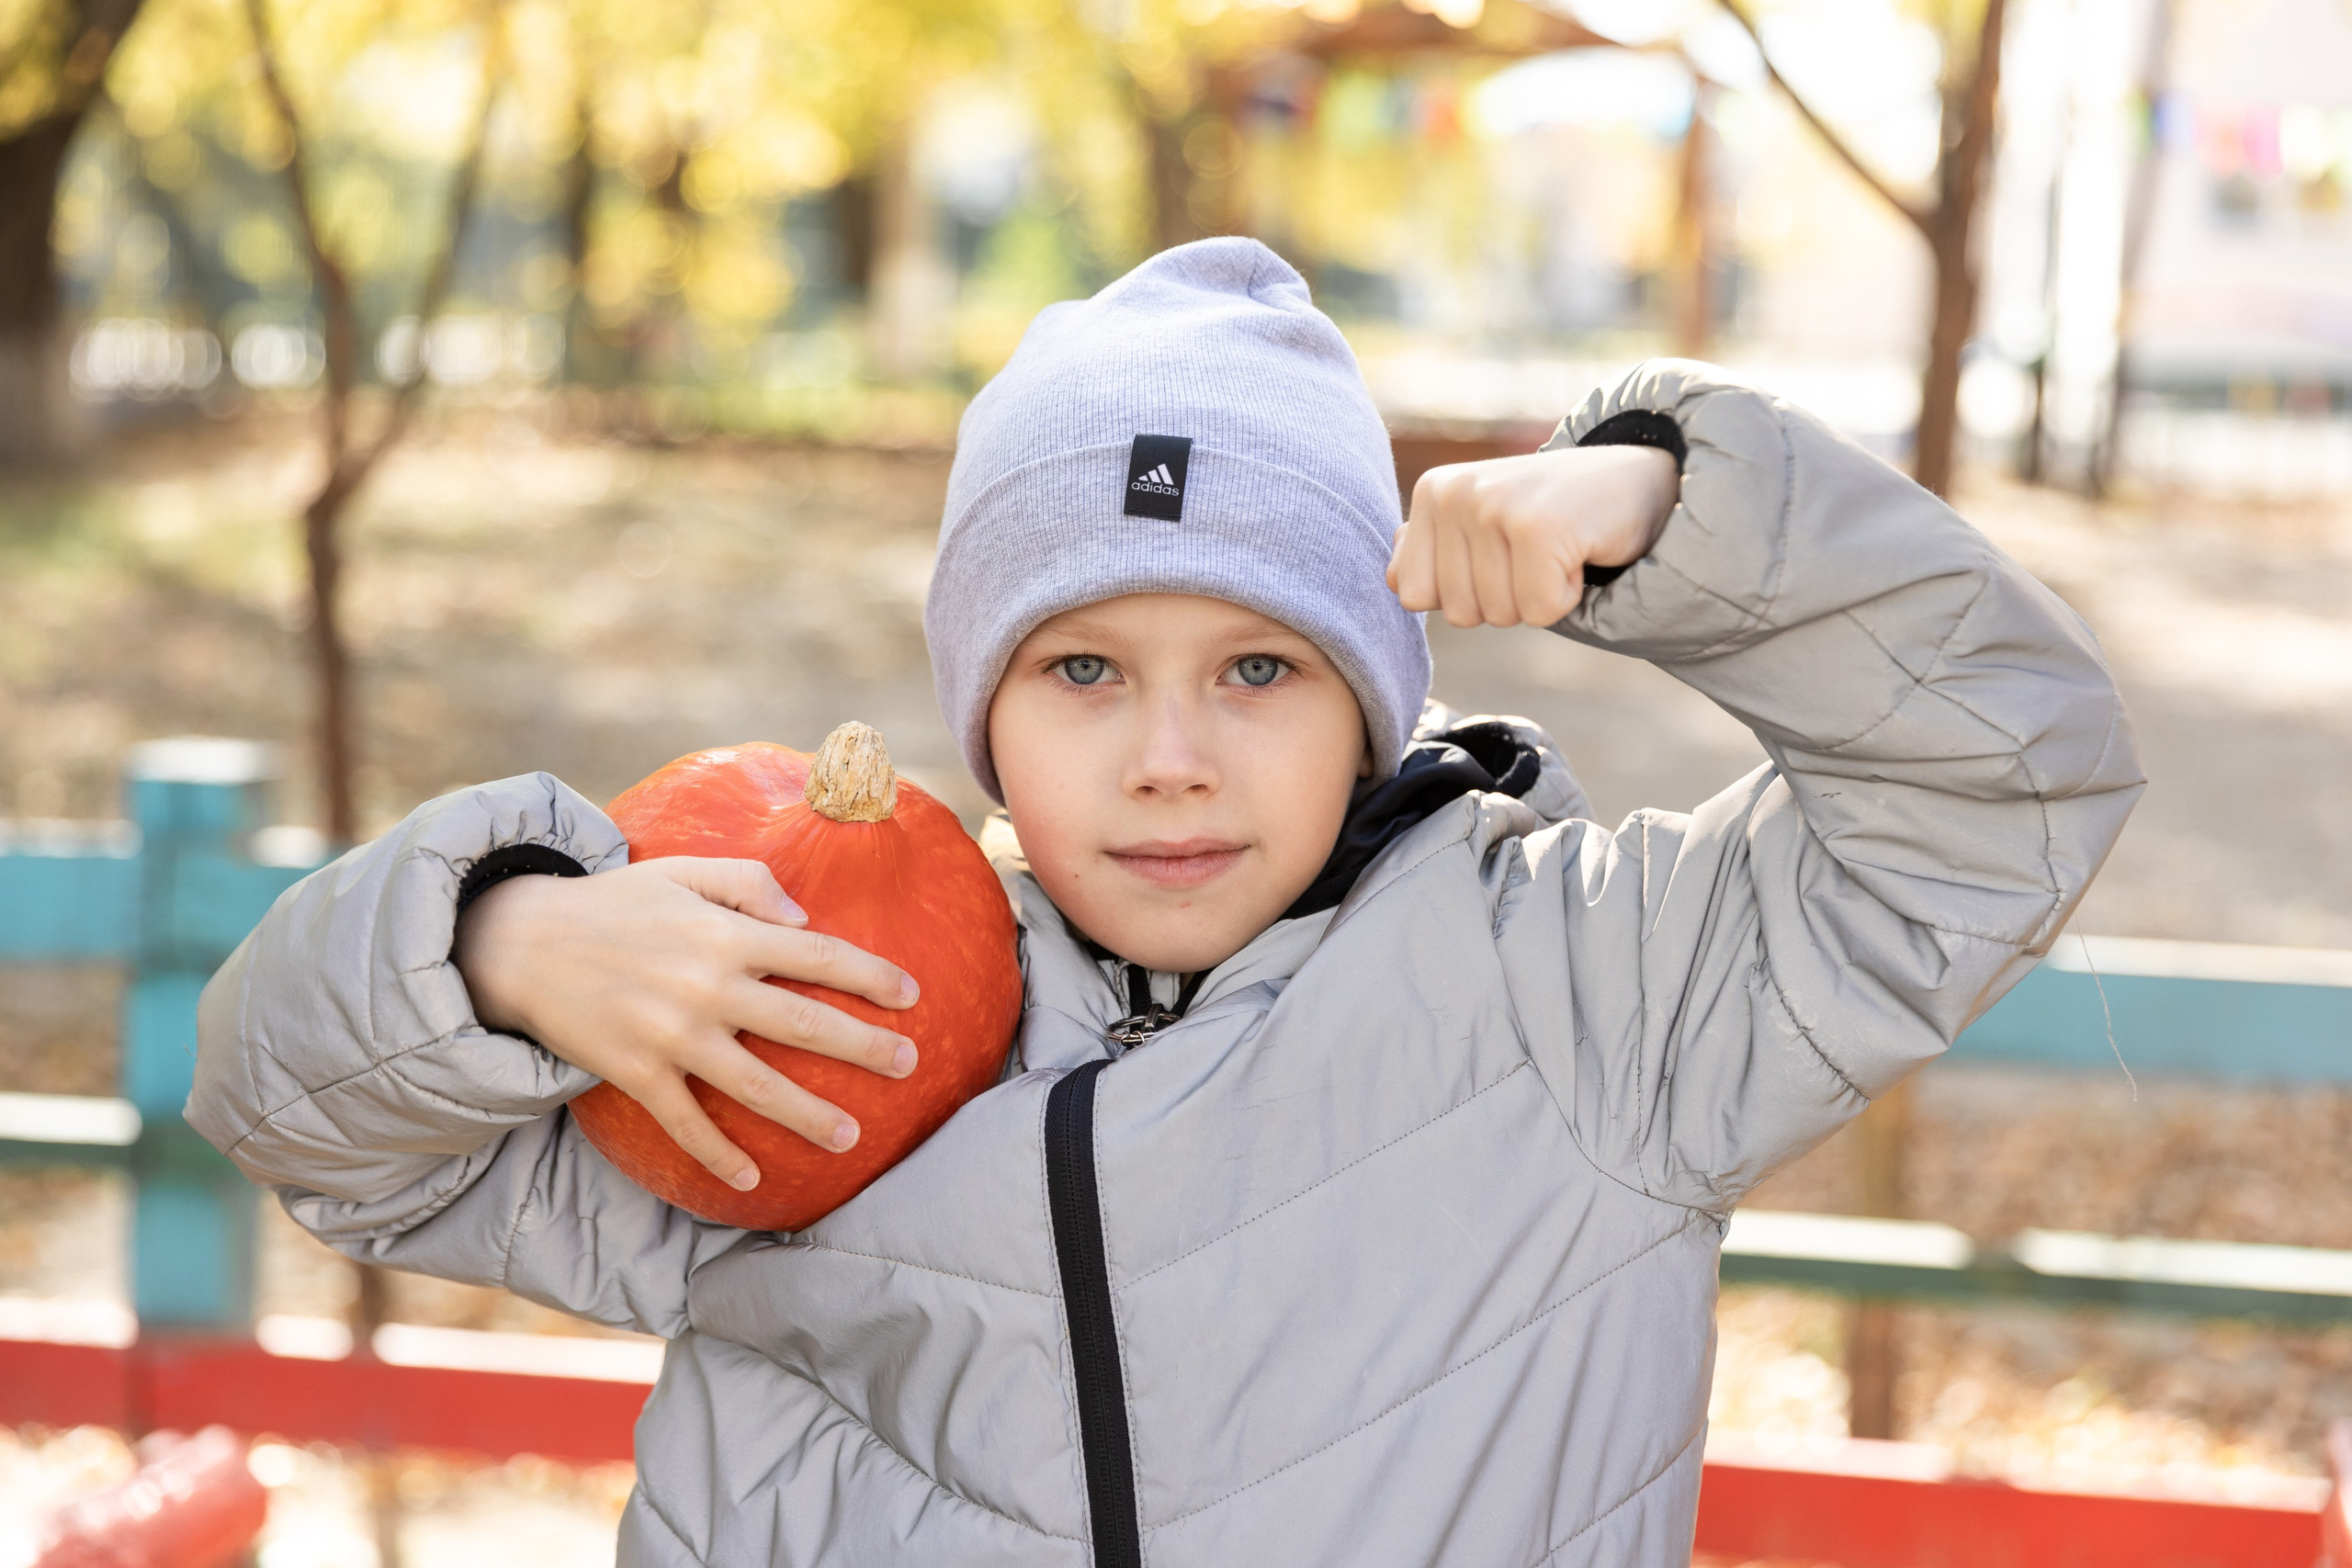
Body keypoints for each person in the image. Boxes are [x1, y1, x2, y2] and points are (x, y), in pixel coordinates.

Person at [189, 239, 2143, 1567]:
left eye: (1262, 668)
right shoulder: (816, 996)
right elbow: (316, 1129)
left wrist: (1669, 504)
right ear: (984, 700)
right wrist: (499, 942)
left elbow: (2002, 784)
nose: (1168, 758)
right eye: (1083, 670)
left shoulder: (1586, 997)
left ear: (1375, 688)